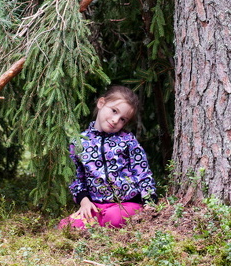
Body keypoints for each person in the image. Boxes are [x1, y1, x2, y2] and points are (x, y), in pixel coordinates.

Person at [58, 85, 157, 230]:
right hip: (96, 205)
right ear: (101, 103)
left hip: (126, 203)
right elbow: (76, 179)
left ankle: (103, 225)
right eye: (114, 111)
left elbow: (142, 173)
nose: (116, 120)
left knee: (114, 217)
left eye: (123, 119)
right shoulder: (79, 142)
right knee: (66, 226)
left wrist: (149, 201)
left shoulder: (127, 140)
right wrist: (84, 201)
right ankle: (98, 223)